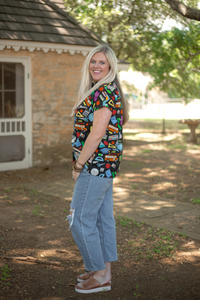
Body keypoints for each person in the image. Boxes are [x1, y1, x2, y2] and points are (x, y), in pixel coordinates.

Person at [66, 44, 129, 294]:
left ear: (111, 66)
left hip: (95, 166)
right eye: (93, 61)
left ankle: (100, 273)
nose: (96, 66)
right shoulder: (104, 89)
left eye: (102, 62)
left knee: (79, 218)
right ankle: (104, 271)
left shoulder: (103, 91)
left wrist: (78, 164)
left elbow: (97, 133)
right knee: (103, 219)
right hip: (105, 166)